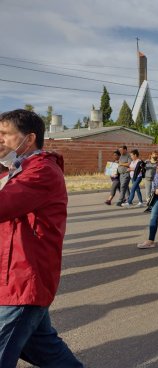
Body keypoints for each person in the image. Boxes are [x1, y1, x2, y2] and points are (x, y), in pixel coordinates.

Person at [0, 109, 83, 367]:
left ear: (29, 138)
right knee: (48, 352)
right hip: (13, 278)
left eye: (4, 135)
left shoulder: (41, 171)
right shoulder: (15, 169)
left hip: (23, 281)